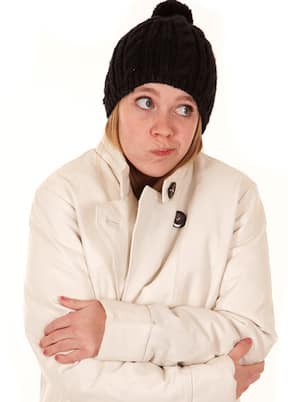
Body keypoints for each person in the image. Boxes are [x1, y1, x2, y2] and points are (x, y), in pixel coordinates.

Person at [24, 1, 277, 401]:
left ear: (200, 119)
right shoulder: (64, 194)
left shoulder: (235, 195)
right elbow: (67, 369)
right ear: (117, 103)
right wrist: (208, 382)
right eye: (146, 101)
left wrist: (113, 329)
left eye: (184, 108)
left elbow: (251, 339)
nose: (164, 129)